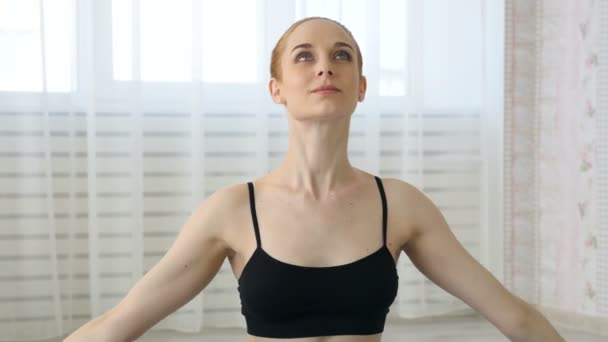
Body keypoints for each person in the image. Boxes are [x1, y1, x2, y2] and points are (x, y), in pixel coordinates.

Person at [64, 17, 565, 342]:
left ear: (362, 87)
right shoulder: (232, 209)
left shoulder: (402, 205)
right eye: (305, 56)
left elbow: (513, 316)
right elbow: (118, 324)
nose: (325, 66)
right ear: (276, 89)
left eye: (341, 55)